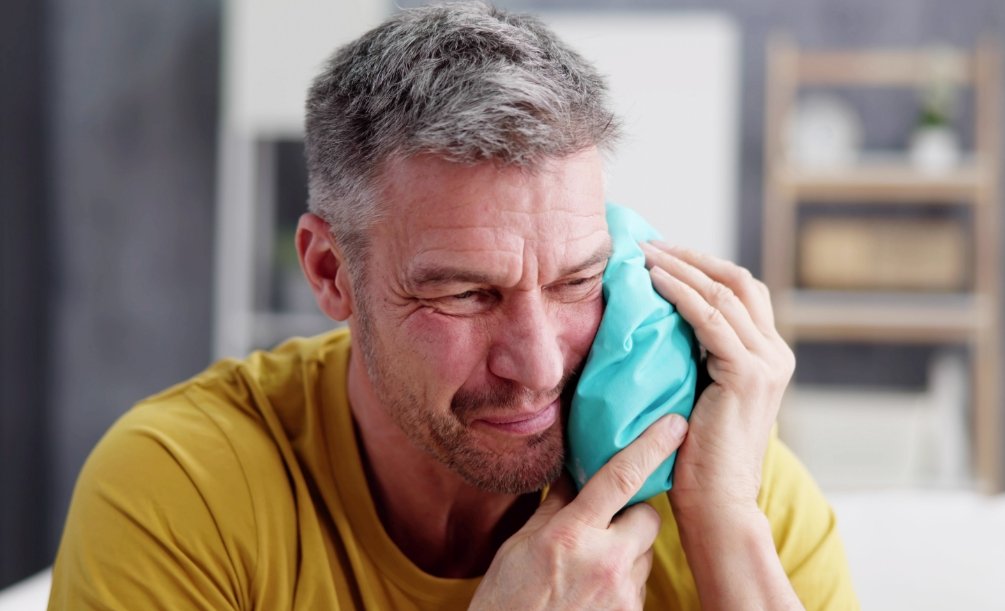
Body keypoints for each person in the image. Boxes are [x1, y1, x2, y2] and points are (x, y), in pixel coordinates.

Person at [49, 3, 857, 609]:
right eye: (467, 293)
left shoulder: (720, 475)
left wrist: (723, 528)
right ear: (331, 270)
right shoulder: (183, 487)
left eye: (577, 280)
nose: (538, 364)